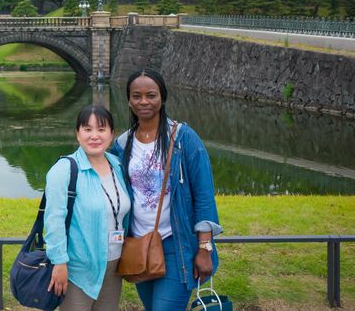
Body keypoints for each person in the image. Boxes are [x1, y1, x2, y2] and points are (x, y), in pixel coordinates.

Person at [110, 68, 222, 311]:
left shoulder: (184, 139)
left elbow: (203, 194)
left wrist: (204, 248)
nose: (144, 102)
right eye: (136, 96)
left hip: (176, 245)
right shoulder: (122, 144)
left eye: (151, 95)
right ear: (129, 100)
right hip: (139, 245)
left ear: (162, 97)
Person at [44, 104, 131, 311]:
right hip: (78, 269)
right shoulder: (64, 170)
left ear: (112, 134)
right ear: (77, 133)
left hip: (114, 265)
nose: (94, 136)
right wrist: (59, 263)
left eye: (101, 130)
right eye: (87, 129)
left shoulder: (117, 165)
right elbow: (54, 220)